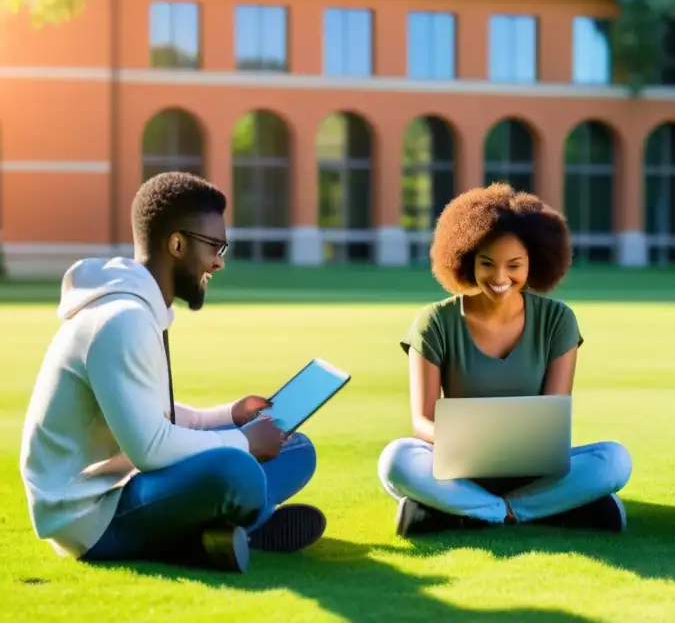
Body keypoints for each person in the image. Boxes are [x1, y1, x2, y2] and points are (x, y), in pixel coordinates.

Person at [20, 171, 327, 573]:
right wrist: (243, 442)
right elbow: (150, 450)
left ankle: (221, 529)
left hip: (124, 486)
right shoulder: (121, 321)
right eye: (215, 246)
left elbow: (153, 416)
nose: (219, 262)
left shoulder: (140, 309)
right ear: (177, 244)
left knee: (296, 449)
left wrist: (230, 415)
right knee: (237, 471)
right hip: (89, 513)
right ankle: (225, 532)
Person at [378, 183, 633, 537]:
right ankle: (537, 509)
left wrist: (517, 450)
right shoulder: (434, 321)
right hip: (458, 464)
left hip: (532, 467)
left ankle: (464, 511)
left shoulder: (558, 320)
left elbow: (554, 418)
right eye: (487, 264)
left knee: (615, 461)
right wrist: (468, 445)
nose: (499, 278)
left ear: (535, 263)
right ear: (467, 259)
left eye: (514, 265)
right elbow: (422, 422)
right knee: (397, 460)